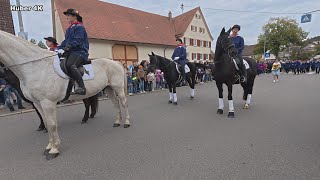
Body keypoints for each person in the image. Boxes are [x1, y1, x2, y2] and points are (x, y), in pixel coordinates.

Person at [57, 9, 89, 95]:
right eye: (66, 16)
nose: (66, 17)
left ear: (75, 16)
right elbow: (65, 42)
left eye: (68, 15)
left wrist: (67, 48)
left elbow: (78, 40)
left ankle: (82, 87)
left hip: (80, 51)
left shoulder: (80, 27)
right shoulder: (69, 29)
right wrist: (58, 48)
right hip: (71, 51)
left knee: (70, 64)